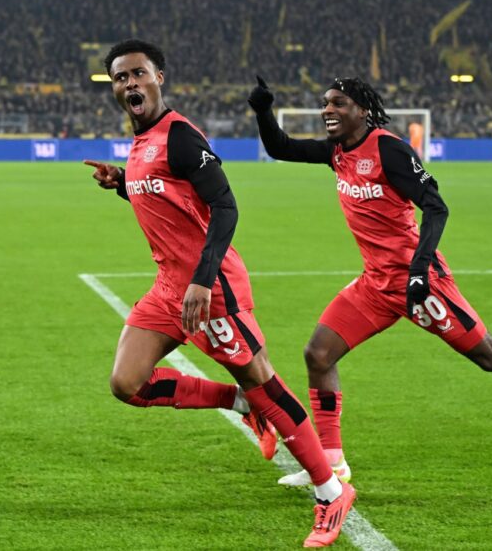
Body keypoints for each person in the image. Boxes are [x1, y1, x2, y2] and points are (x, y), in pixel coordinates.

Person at [247, 75, 492, 488]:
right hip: (375, 284)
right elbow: (280, 147)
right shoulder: (337, 151)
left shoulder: (389, 150)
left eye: (338, 103)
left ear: (361, 108)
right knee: (318, 354)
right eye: (325, 103)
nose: (327, 110)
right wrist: (263, 110)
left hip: (420, 281)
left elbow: (436, 206)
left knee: (491, 356)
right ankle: (332, 463)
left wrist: (418, 271)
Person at [83, 40, 355, 547]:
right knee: (128, 384)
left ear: (159, 77)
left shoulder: (181, 136)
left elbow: (225, 207)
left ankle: (330, 490)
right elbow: (168, 198)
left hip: (211, 289)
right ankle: (238, 403)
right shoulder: (141, 140)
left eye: (138, 74)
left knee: (266, 385)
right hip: (169, 288)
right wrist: (123, 184)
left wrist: (203, 281)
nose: (129, 85)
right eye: (120, 79)